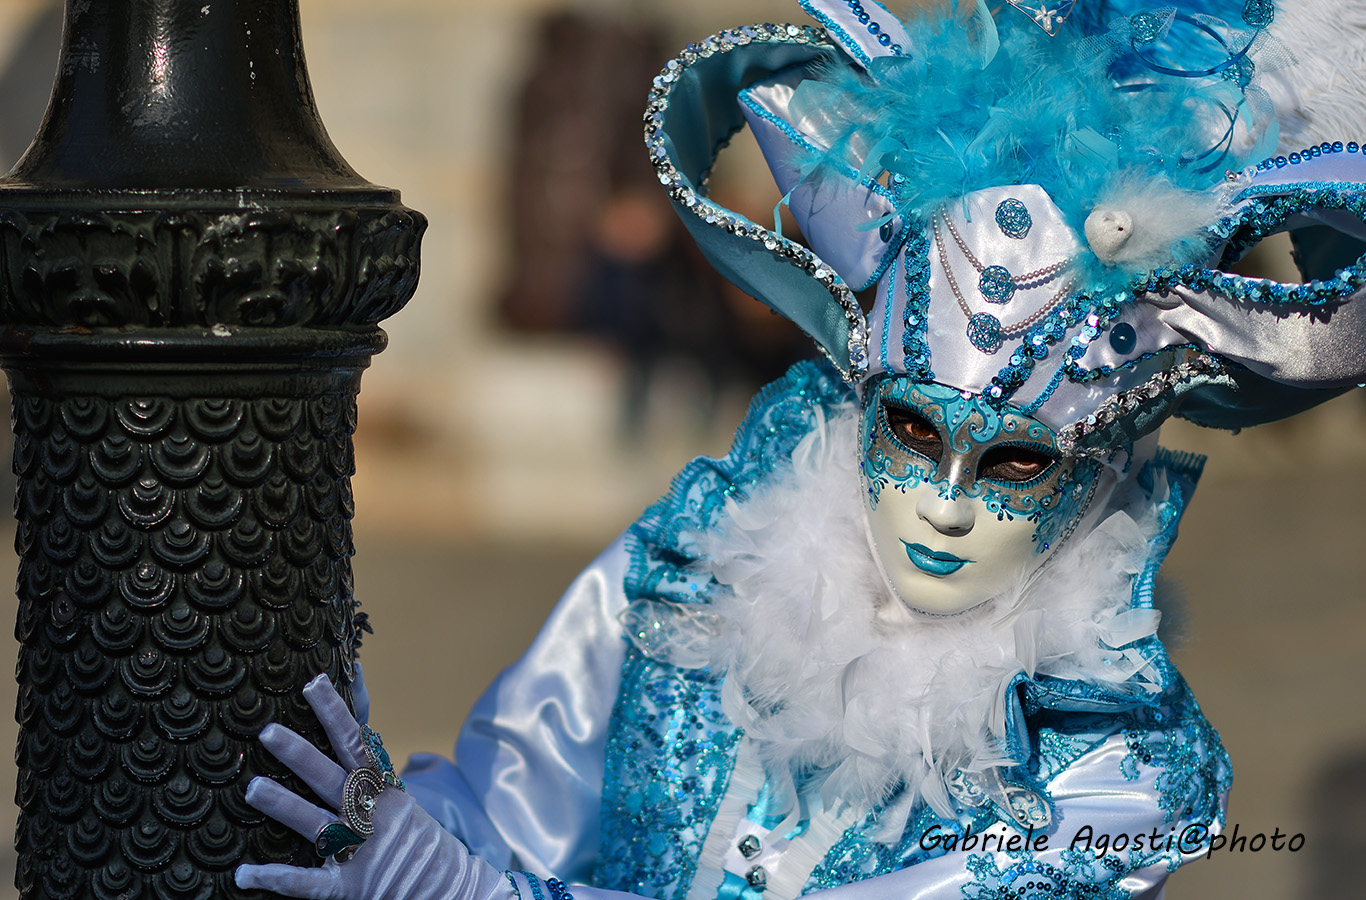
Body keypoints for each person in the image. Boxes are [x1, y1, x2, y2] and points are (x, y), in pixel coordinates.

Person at [234, 1, 1366, 898]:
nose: (944, 508)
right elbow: (503, 797)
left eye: (1017, 462)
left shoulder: (1116, 777)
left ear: (1097, 470)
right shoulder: (691, 574)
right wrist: (371, 815)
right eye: (913, 432)